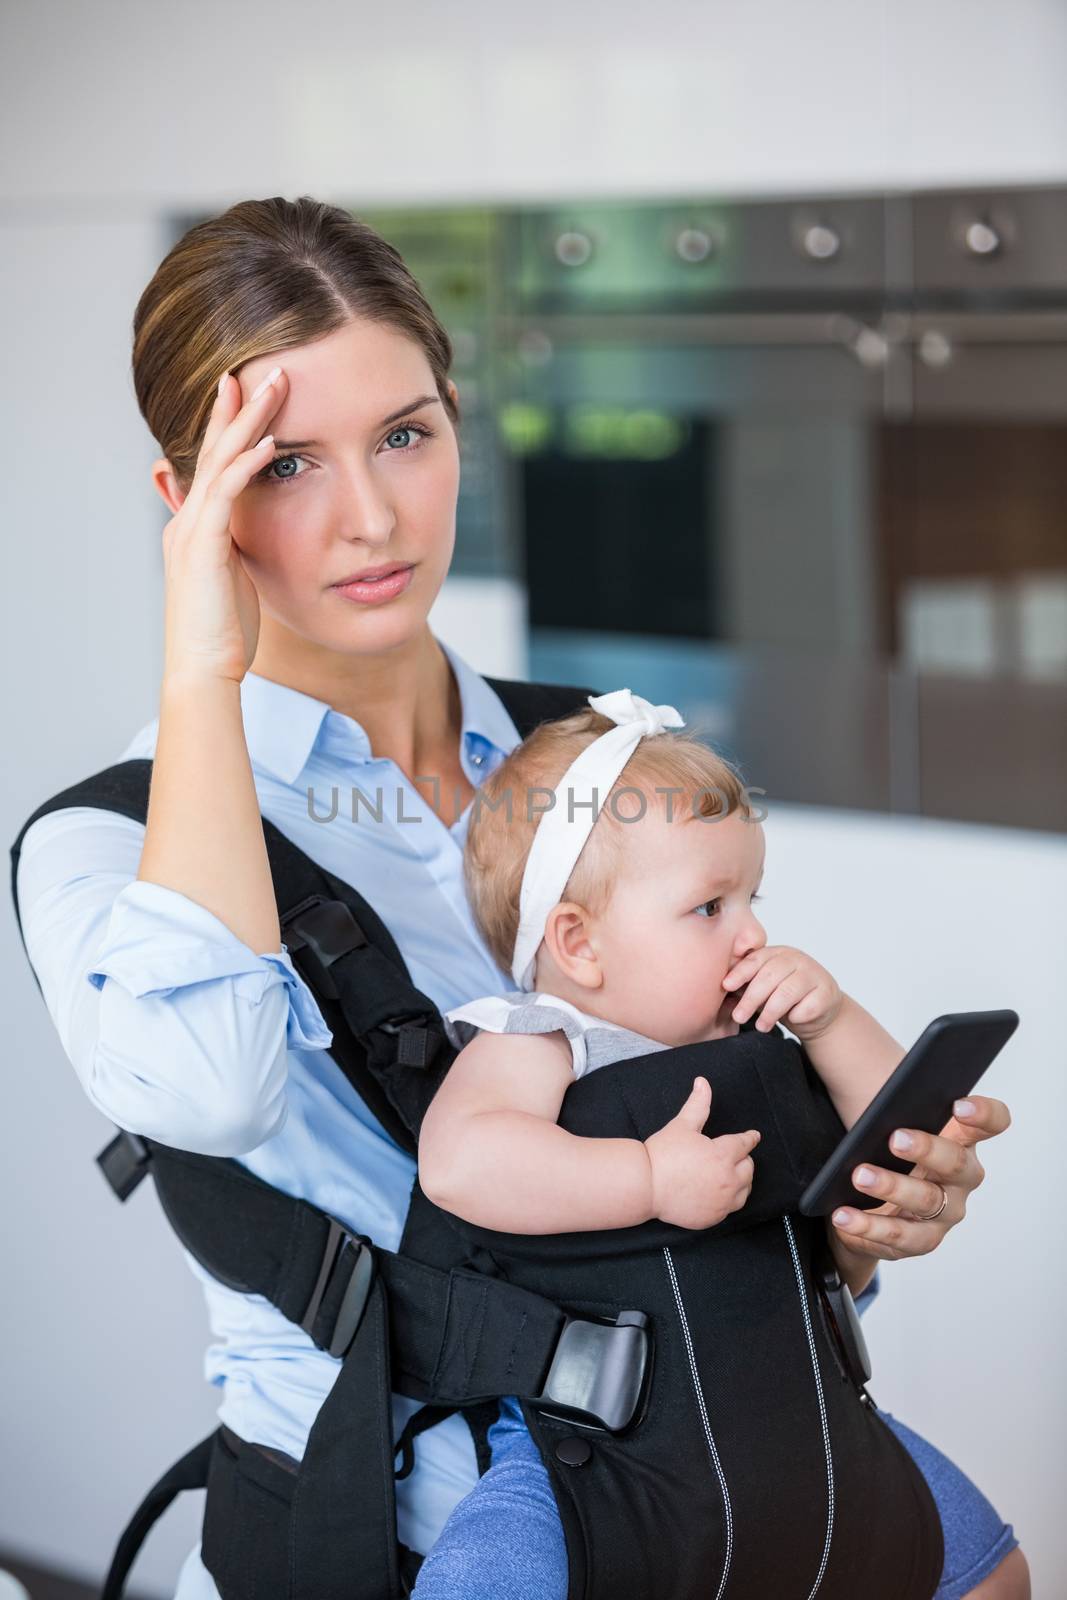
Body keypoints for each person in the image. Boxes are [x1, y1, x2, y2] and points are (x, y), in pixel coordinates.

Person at [12, 197, 1028, 1600]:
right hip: (393, 1533)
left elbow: (709, 1102)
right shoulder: (99, 846)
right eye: (289, 462)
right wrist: (201, 671)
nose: (371, 517)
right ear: (190, 500)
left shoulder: (607, 755)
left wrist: (858, 1217)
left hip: (720, 1470)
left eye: (407, 435)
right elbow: (213, 1093)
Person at [415, 688, 1023, 1599]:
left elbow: (894, 1124)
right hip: (600, 1456)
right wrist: (646, 1176)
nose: (753, 934)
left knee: (989, 1573)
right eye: (709, 907)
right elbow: (460, 1163)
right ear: (577, 944)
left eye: (752, 897)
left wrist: (832, 1016)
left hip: (809, 1414)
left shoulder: (754, 1035)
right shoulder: (540, 1038)